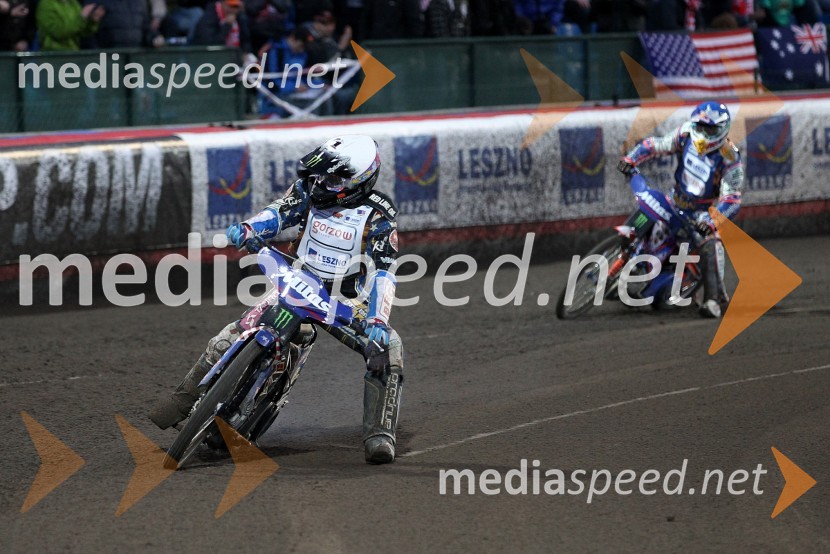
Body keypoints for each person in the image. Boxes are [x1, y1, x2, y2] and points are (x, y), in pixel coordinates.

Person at [150, 135, 404, 464]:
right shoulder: (307, 191)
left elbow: (383, 272)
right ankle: (182, 401)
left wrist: (378, 321)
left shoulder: (380, 216)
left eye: (333, 177)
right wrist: (248, 227)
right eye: (322, 174)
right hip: (299, 281)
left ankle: (380, 434)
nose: (322, 182)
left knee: (388, 348)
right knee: (229, 336)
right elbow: (278, 215)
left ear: (359, 181)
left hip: (346, 298)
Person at [617, 101, 743, 319]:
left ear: (721, 129)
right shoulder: (686, 133)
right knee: (647, 208)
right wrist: (631, 159)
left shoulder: (730, 158)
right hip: (674, 199)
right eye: (700, 127)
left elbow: (732, 199)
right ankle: (626, 255)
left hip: (699, 213)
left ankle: (713, 300)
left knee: (711, 243)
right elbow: (655, 145)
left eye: (709, 129)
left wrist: (711, 223)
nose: (703, 133)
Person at [36, 0, 104, 51]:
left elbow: (83, 32)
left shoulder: (73, 3)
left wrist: (92, 21)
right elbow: (59, 32)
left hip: (73, 54)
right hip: (53, 55)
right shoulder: (46, 4)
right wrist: (82, 17)